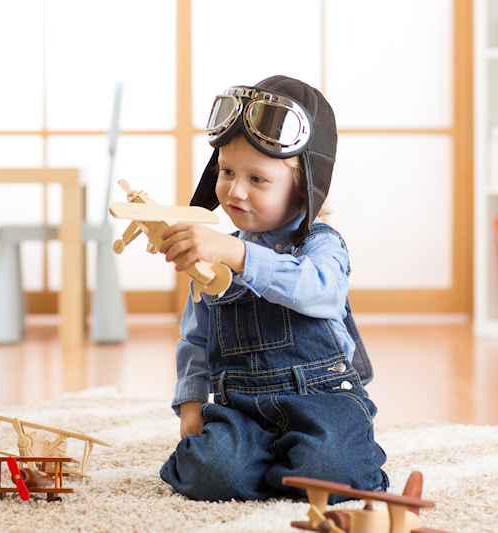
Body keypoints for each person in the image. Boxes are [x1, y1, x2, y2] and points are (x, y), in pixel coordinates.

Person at [157, 75, 388, 502]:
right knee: (207, 474)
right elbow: (195, 337)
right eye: (226, 171)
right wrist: (191, 403)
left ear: (304, 187)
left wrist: (237, 255)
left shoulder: (322, 245)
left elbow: (318, 290)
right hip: (243, 406)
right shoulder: (217, 253)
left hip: (322, 401)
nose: (234, 190)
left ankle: (291, 461)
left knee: (333, 469)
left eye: (257, 179)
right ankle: (272, 462)